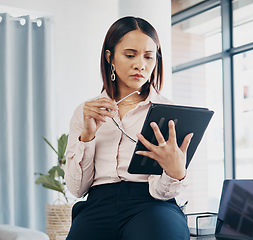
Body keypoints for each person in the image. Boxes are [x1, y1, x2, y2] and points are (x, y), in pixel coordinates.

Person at [64, 16, 192, 240]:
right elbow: (78, 190)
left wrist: (175, 172)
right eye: (130, 55)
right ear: (109, 57)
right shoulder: (86, 111)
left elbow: (161, 192)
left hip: (151, 204)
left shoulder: (169, 112)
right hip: (98, 203)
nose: (140, 65)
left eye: (149, 57)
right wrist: (88, 135)